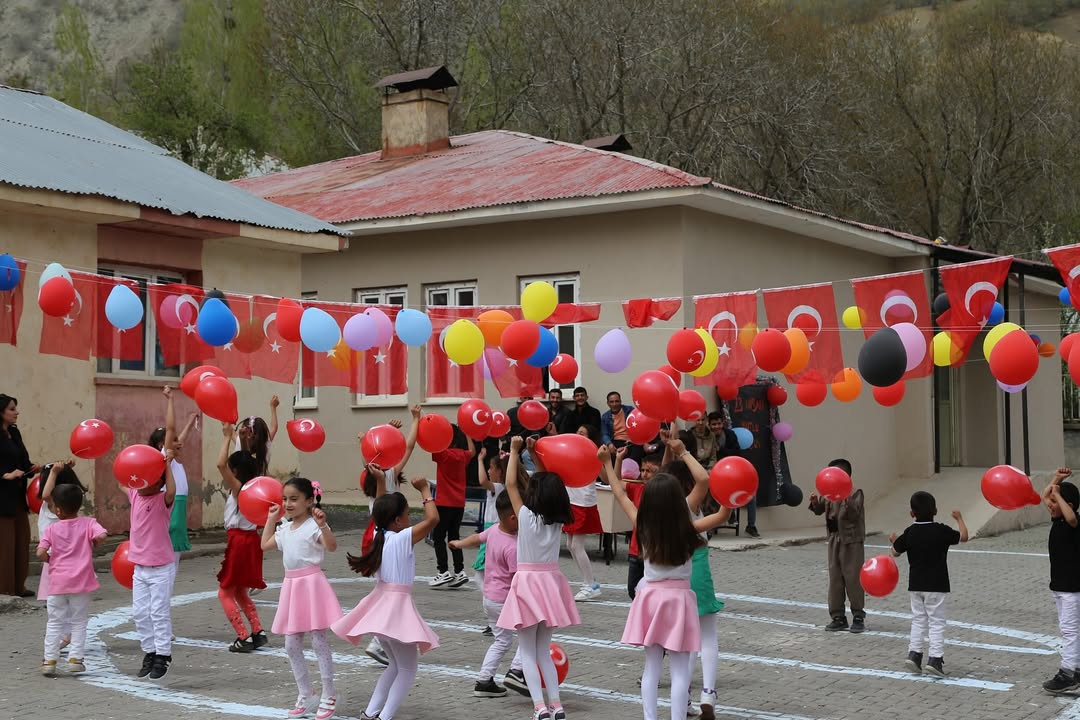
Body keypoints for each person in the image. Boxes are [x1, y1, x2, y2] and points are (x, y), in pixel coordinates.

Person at [333, 476, 440, 720]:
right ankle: (383, 717)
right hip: (396, 609)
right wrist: (425, 490)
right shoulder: (402, 537)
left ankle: (371, 713)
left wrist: (381, 481)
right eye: (406, 514)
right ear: (397, 520)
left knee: (395, 665)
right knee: (408, 669)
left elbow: (380, 507)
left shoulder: (378, 535)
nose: (409, 518)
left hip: (381, 605)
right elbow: (433, 519)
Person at [606, 462, 702, 720]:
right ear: (678, 501)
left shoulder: (643, 524)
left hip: (651, 598)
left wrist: (606, 461)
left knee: (652, 667)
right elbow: (707, 486)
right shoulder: (689, 527)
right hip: (679, 600)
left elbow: (618, 493)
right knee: (681, 671)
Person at [497, 436, 580, 720]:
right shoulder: (555, 519)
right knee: (543, 651)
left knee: (528, 652)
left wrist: (515, 452)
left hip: (528, 584)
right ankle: (556, 706)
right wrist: (532, 453)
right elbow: (547, 480)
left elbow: (510, 484)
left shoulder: (526, 517)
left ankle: (539, 708)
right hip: (550, 584)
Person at [660, 439, 730, 720]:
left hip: (674, 577)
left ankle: (685, 698)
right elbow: (705, 478)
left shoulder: (662, 509)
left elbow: (664, 472)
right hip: (697, 569)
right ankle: (708, 694)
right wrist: (684, 452)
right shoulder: (689, 504)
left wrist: (671, 447)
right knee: (708, 636)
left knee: (684, 641)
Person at [262, 477, 342, 719]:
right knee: (291, 643)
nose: (288, 503)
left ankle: (329, 693)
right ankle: (306, 693)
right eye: (285, 499)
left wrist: (324, 525)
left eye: (294, 499)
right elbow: (265, 544)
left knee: (319, 640)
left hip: (312, 586)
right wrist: (270, 518)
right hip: (292, 587)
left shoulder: (313, 526)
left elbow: (332, 547)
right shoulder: (285, 528)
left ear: (309, 501)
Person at [359, 408, 421, 666]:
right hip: (387, 538)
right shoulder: (386, 477)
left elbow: (385, 447)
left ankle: (382, 640)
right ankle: (378, 641)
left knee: (386, 590)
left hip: (376, 535)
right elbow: (407, 447)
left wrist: (388, 430)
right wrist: (415, 420)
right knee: (393, 591)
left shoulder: (373, 476)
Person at [451, 490, 526, 698]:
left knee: (501, 641)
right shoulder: (512, 547)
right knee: (528, 635)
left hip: (490, 599)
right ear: (513, 518)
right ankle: (517, 671)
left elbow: (477, 538)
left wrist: (459, 543)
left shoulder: (493, 530)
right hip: (505, 601)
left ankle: (484, 681)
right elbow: (517, 578)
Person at [890, 491, 968, 677]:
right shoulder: (941, 530)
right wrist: (959, 518)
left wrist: (894, 541)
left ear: (912, 514)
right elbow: (963, 537)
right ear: (935, 510)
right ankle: (935, 659)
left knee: (918, 620)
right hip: (937, 585)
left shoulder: (910, 531)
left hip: (915, 585)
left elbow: (895, 552)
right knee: (936, 622)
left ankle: (914, 655)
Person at [126, 406, 178, 681]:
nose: (140, 482)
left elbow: (171, 489)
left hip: (160, 567)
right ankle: (148, 651)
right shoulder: (136, 496)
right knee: (139, 613)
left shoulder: (161, 500)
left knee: (158, 612)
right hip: (140, 568)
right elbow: (126, 478)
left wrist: (166, 464)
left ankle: (163, 655)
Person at [36, 474, 106, 676]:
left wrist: (49, 560)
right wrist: (94, 542)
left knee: (54, 621)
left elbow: (41, 552)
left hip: (57, 583)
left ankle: (50, 660)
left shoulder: (51, 529)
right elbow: (101, 535)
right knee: (79, 621)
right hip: (81, 583)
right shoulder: (88, 523)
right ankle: (75, 658)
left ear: (57, 510)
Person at [216, 422, 268, 653]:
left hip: (238, 541)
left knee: (225, 592)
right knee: (240, 591)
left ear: (235, 471)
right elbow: (247, 458)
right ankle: (258, 631)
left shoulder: (239, 488)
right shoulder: (255, 482)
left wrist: (227, 437)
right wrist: (243, 440)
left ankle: (243, 636)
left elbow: (220, 464)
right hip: (251, 541)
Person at [808, 459, 866, 633]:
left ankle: (858, 615)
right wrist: (814, 503)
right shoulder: (829, 493)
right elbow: (820, 510)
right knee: (835, 579)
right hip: (834, 539)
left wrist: (846, 497)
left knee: (853, 578)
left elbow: (854, 514)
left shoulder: (855, 492)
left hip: (851, 541)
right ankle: (838, 616)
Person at [1039, 467, 1080, 694]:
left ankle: (1067, 674)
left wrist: (1058, 494)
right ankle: (1077, 670)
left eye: (1055, 502)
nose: (1049, 505)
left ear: (1068, 505)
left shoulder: (1073, 522)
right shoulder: (1058, 520)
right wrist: (1056, 481)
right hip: (1063, 588)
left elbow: (1071, 516)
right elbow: (1045, 496)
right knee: (1074, 630)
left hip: (1071, 588)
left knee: (1070, 631)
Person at [149, 399, 197, 577]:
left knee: (173, 567)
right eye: (174, 441)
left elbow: (179, 438)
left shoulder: (173, 461)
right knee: (167, 566)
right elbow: (171, 429)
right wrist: (170, 399)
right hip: (170, 518)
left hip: (177, 519)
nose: (180, 443)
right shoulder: (163, 458)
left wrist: (191, 423)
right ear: (163, 446)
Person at [0, 394, 39, 597]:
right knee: (5, 545)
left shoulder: (14, 433)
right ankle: (4, 590)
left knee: (21, 540)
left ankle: (18, 586)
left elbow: (23, 461)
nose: (17, 412)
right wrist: (4, 475)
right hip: (1, 499)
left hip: (17, 496)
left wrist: (35, 468)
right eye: (12, 409)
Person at [429, 424, 475, 589]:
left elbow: (431, 446)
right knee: (454, 537)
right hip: (458, 504)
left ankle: (443, 572)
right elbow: (472, 451)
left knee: (438, 537)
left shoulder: (442, 454)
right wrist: (468, 433)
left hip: (444, 503)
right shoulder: (462, 455)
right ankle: (460, 570)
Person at [470, 447, 507, 635]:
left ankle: (496, 613)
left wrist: (479, 459)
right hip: (490, 531)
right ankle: (495, 617)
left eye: (492, 468)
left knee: (480, 575)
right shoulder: (502, 488)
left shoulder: (499, 487)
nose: (489, 471)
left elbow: (482, 480)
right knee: (486, 575)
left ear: (500, 471)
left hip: (492, 533)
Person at [566, 425, 603, 601]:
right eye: (577, 431)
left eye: (583, 433)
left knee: (576, 546)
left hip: (583, 502)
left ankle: (590, 585)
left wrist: (603, 459)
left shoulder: (593, 454)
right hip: (572, 501)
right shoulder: (571, 452)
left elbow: (603, 474)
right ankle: (589, 580)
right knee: (570, 545)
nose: (579, 434)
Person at [709, 411, 755, 537]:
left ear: (722, 423)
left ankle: (751, 526)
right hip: (716, 474)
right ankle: (711, 524)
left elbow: (737, 453)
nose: (716, 427)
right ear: (710, 425)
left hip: (732, 472)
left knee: (751, 494)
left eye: (719, 423)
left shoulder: (730, 435)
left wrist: (721, 450)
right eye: (713, 424)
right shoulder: (707, 437)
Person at [625, 453, 662, 600]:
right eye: (642, 470)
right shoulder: (637, 488)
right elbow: (613, 482)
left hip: (653, 551)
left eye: (649, 471)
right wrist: (614, 461)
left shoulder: (661, 492)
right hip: (636, 549)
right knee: (632, 590)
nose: (644, 474)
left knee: (651, 589)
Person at [235, 395, 280, 477]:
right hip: (261, 485)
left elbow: (229, 431)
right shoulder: (265, 443)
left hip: (243, 486)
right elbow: (274, 427)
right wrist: (273, 407)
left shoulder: (239, 440)